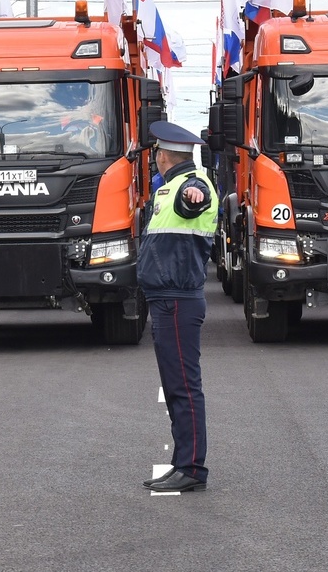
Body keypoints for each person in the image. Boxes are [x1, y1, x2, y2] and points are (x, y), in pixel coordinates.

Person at [138, 121, 217, 494]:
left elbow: (193, 197)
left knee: (185, 387)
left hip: (178, 299)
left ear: (163, 155)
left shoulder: (192, 184)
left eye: (156, 153)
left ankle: (192, 468)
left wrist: (192, 196)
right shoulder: (166, 188)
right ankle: (182, 462)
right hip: (166, 298)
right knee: (175, 387)